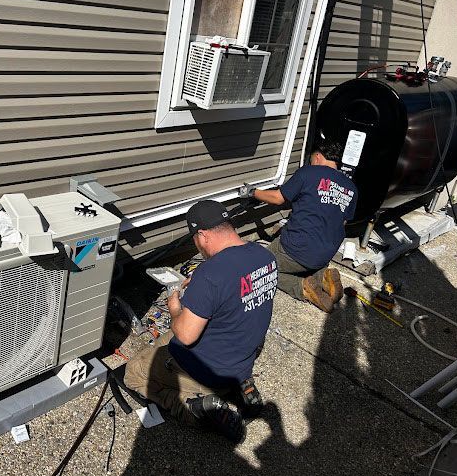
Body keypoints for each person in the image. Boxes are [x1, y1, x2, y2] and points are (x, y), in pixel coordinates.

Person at [124, 200, 277, 443]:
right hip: (243, 354)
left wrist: (175, 308)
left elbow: (185, 335)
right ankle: (242, 386)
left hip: (212, 367)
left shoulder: (211, 274)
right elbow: (235, 286)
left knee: (134, 372)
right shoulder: (264, 256)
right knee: (161, 344)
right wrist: (202, 282)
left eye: (195, 239)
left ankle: (199, 408)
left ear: (202, 235)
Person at [251, 138, 358, 313]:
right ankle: (322, 276)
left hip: (297, 248)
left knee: (259, 270)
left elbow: (278, 198)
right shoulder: (351, 188)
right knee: (303, 264)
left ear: (317, 156)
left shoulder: (309, 172)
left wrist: (254, 192)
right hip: (325, 253)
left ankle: (303, 288)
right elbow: (342, 221)